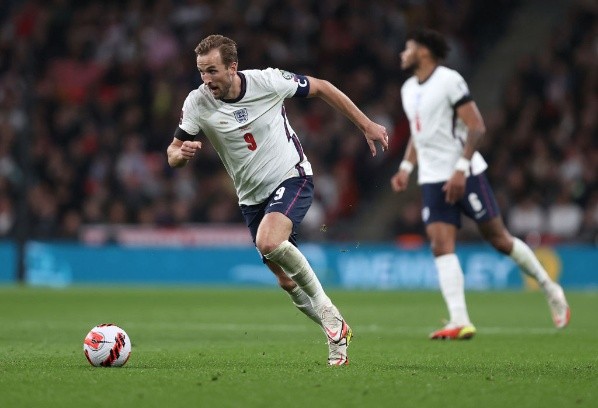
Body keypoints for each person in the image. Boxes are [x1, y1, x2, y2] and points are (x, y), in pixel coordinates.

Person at [167, 35, 389, 364]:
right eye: (201, 72)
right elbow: (172, 152)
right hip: (251, 198)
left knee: (269, 242)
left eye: (212, 71)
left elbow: (323, 87)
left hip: (292, 176)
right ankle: (338, 334)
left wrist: (366, 123)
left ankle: (329, 314)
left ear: (232, 67)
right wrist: (181, 155)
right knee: (286, 280)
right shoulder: (197, 102)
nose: (206, 79)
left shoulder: (268, 81)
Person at [390, 28, 570, 340]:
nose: (402, 53)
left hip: (465, 172)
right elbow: (421, 135)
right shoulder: (408, 89)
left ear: (423, 51)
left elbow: (476, 126)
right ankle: (459, 320)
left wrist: (461, 169)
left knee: (498, 239)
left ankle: (550, 288)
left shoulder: (449, 80)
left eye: (408, 47)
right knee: (440, 245)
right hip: (432, 179)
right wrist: (406, 167)